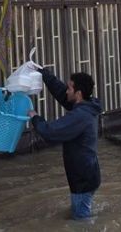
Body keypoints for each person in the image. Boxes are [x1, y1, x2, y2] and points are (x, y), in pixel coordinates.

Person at [28, 69, 102, 220]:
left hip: (82, 181)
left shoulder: (80, 116)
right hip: (88, 175)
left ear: (78, 93)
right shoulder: (87, 105)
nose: (66, 91)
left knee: (80, 222)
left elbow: (50, 132)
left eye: (70, 88)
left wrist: (35, 117)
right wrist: (44, 74)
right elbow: (63, 94)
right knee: (80, 213)